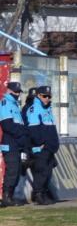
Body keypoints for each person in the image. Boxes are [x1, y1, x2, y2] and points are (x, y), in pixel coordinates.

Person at [22, 85, 59, 205]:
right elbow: (33, 130)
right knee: (41, 171)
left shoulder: (47, 109)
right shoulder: (35, 108)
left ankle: (43, 193)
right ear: (38, 96)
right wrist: (41, 143)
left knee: (47, 171)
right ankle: (38, 194)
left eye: (49, 96)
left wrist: (53, 143)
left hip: (49, 147)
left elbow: (51, 128)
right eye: (44, 96)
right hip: (42, 147)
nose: (47, 98)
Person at [0, 79, 29, 207]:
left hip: (17, 143)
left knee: (16, 171)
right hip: (10, 142)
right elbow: (8, 126)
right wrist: (22, 133)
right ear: (9, 90)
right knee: (12, 171)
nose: (17, 94)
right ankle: (6, 197)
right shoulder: (6, 103)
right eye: (15, 92)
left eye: (19, 92)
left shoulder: (15, 105)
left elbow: (19, 125)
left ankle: (9, 197)